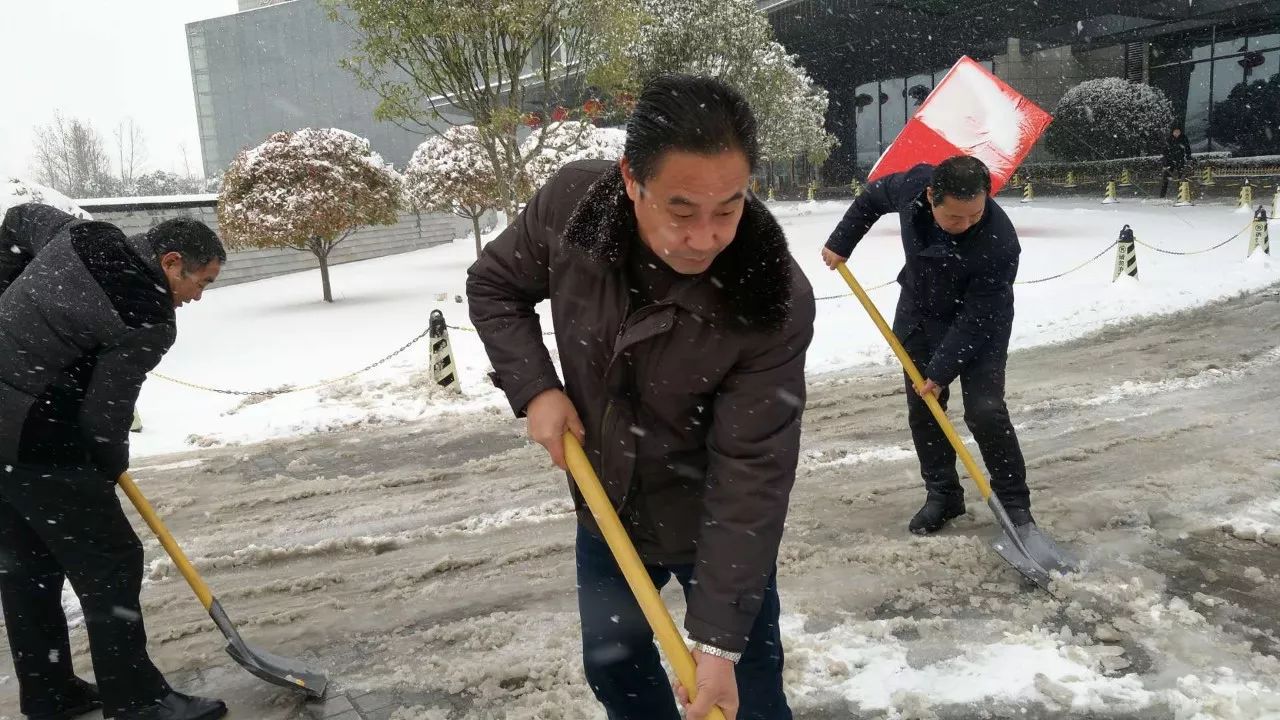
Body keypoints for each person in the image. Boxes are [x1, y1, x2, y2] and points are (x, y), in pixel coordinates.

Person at [467, 74, 814, 720]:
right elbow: (494, 288)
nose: (706, 237)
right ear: (631, 180)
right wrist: (537, 388)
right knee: (617, 671)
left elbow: (752, 475)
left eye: (729, 208)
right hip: (608, 505)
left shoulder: (770, 299)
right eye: (681, 211)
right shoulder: (573, 208)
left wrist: (718, 643)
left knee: (748, 693)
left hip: (714, 517)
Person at [0, 204, 228, 720]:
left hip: (3, 442)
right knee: (112, 562)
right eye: (202, 282)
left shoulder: (83, 234)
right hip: (38, 441)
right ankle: (138, 701)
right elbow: (106, 417)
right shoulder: (145, 313)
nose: (197, 296)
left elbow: (19, 217)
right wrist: (101, 472)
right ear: (171, 262)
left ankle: (48, 692)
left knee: (28, 569)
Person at [821, 156, 1035, 535]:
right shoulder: (912, 186)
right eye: (954, 217)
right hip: (920, 310)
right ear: (932, 196)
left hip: (979, 323)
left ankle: (1015, 506)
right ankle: (943, 495)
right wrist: (842, 241)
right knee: (925, 409)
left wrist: (939, 371)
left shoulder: (999, 242)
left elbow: (978, 318)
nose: (965, 225)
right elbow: (871, 198)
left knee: (985, 411)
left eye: (974, 214)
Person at [1159, 127, 1193, 198]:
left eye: (1178, 132)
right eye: (1175, 132)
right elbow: (1165, 151)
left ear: (1180, 132)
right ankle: (1162, 195)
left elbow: (1187, 149)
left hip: (1180, 160)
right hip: (1170, 161)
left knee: (1182, 178)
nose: (1176, 133)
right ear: (1172, 132)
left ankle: (1182, 194)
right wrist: (1165, 161)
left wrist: (1188, 159)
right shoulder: (1169, 139)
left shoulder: (1183, 138)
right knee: (1166, 177)